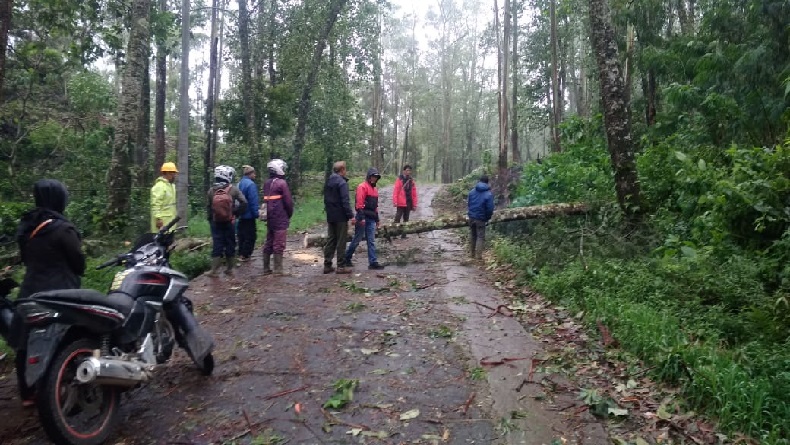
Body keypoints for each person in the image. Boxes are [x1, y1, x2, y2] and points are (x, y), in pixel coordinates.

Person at [15, 179, 86, 406]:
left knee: (26, 341)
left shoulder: (27, 227)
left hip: (30, 290)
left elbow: (26, 259)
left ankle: (28, 393)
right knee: (68, 339)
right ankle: (61, 388)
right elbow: (79, 263)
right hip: (61, 291)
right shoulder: (63, 229)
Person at [207, 165, 248, 276]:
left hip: (216, 222)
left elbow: (209, 207)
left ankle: (214, 270)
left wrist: (211, 220)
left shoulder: (211, 191)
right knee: (230, 242)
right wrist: (235, 213)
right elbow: (244, 202)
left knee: (217, 243)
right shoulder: (233, 189)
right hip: (229, 221)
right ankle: (230, 268)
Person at [344, 168, 385, 270]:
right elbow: (359, 204)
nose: (374, 179)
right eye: (373, 177)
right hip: (362, 218)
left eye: (376, 177)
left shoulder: (375, 190)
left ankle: (373, 262)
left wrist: (377, 219)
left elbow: (375, 206)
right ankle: (347, 258)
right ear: (369, 176)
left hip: (371, 218)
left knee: (371, 241)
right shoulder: (362, 187)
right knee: (357, 240)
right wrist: (361, 218)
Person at [261, 159, 294, 275]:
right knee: (279, 242)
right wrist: (289, 214)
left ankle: (266, 268)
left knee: (269, 240)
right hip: (280, 216)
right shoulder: (282, 183)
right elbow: (288, 202)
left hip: (270, 217)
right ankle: (278, 269)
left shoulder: (267, 183)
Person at [323, 161, 354, 274]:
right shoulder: (342, 183)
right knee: (341, 241)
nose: (346, 171)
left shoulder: (329, 181)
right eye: (345, 169)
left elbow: (325, 198)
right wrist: (351, 215)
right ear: (342, 170)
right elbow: (345, 201)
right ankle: (341, 266)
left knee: (331, 239)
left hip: (330, 215)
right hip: (340, 216)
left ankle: (327, 265)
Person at [467, 174, 495, 259]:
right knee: (480, 237)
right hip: (481, 218)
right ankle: (478, 256)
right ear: (487, 182)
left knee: (473, 235)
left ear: (479, 181)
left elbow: (468, 204)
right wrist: (487, 217)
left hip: (471, 217)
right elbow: (490, 209)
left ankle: (472, 254)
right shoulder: (488, 194)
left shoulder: (471, 192)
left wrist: (470, 214)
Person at [236, 165, 260, 262]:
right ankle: (245, 255)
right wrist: (256, 214)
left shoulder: (239, 183)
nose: (255, 175)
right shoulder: (251, 185)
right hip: (249, 215)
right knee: (250, 236)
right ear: (250, 174)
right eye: (254, 173)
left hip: (240, 215)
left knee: (241, 235)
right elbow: (253, 200)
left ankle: (240, 253)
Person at [150, 162, 178, 233]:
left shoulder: (171, 186)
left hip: (170, 221)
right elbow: (155, 204)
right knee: (160, 242)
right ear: (167, 173)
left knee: (169, 242)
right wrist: (158, 218)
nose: (174, 175)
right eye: (173, 173)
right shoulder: (159, 186)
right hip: (162, 222)